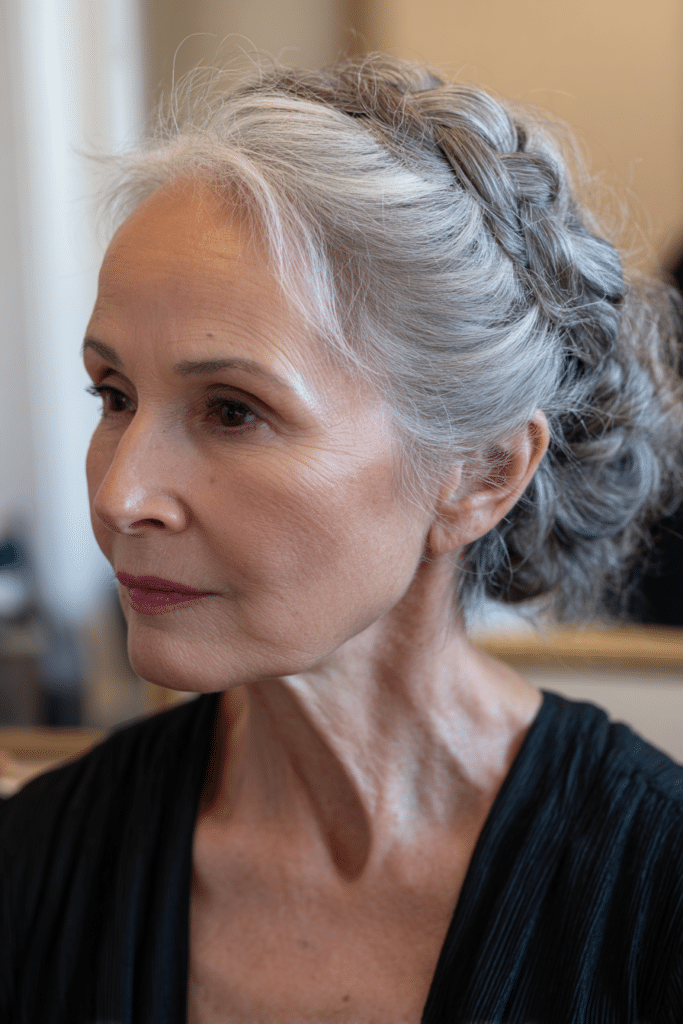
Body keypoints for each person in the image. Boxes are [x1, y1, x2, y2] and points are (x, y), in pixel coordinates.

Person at [1, 55, 682, 1024]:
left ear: (480, 474)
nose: (120, 494)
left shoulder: (652, 896)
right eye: (114, 395)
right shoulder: (37, 870)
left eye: (233, 411)